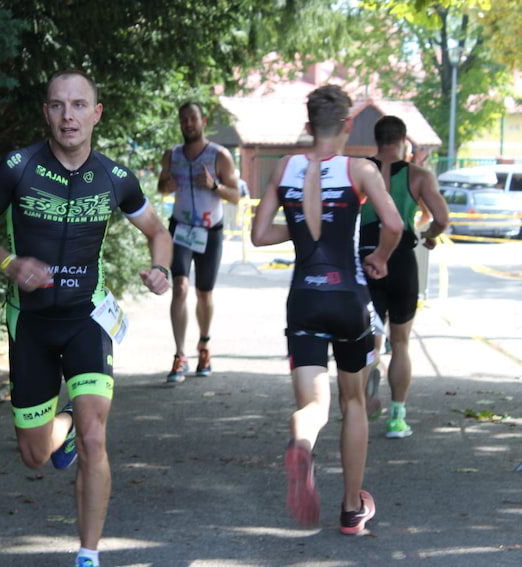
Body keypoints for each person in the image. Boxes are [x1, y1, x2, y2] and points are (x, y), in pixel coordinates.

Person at [0, 69, 172, 567]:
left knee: (98, 434)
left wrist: (160, 267)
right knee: (34, 455)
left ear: (96, 114)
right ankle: (68, 427)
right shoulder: (18, 167)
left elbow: (156, 231)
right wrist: (11, 264)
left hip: (87, 319)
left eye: (79, 105)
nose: (68, 115)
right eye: (57, 106)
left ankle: (88, 555)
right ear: (46, 114)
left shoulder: (115, 177)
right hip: (30, 324)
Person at [251, 84, 403, 534]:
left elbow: (260, 235)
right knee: (353, 401)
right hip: (349, 298)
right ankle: (352, 509)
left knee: (315, 404)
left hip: (305, 298)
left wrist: (300, 233)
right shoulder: (360, 170)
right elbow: (393, 225)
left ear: (307, 123)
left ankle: (301, 443)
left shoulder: (285, 167)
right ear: (348, 124)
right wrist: (377, 259)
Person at [360, 116, 450, 438]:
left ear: (377, 139)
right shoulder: (418, 174)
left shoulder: (357, 171)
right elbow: (442, 217)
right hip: (400, 260)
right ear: (402, 140)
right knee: (400, 342)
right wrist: (430, 235)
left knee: (365, 342)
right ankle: (397, 418)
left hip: (366, 257)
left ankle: (359, 408)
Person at [157, 102, 240, 383]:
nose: (188, 124)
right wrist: (166, 186)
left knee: (204, 293)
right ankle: (180, 356)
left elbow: (236, 195)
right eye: (184, 120)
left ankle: (204, 345)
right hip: (180, 229)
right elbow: (161, 186)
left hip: (209, 230)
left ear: (203, 121)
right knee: (179, 286)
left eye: (193, 119)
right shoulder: (172, 155)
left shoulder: (220, 155)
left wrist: (214, 185)